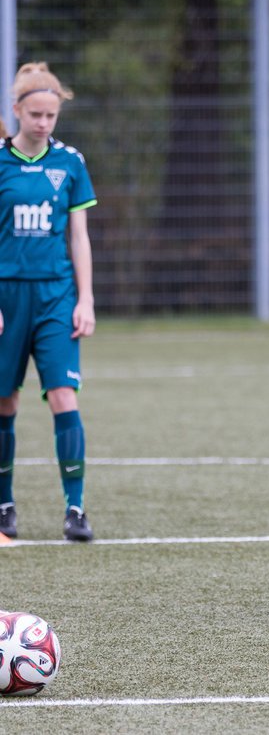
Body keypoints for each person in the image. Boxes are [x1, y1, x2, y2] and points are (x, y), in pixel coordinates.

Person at [0, 62, 97, 543]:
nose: (42, 123)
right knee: (5, 400)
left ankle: (75, 508)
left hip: (56, 297)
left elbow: (79, 238)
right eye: (34, 114)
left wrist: (87, 299)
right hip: (6, 297)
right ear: (16, 110)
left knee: (63, 395)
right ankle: (4, 505)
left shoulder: (70, 164)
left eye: (50, 116)